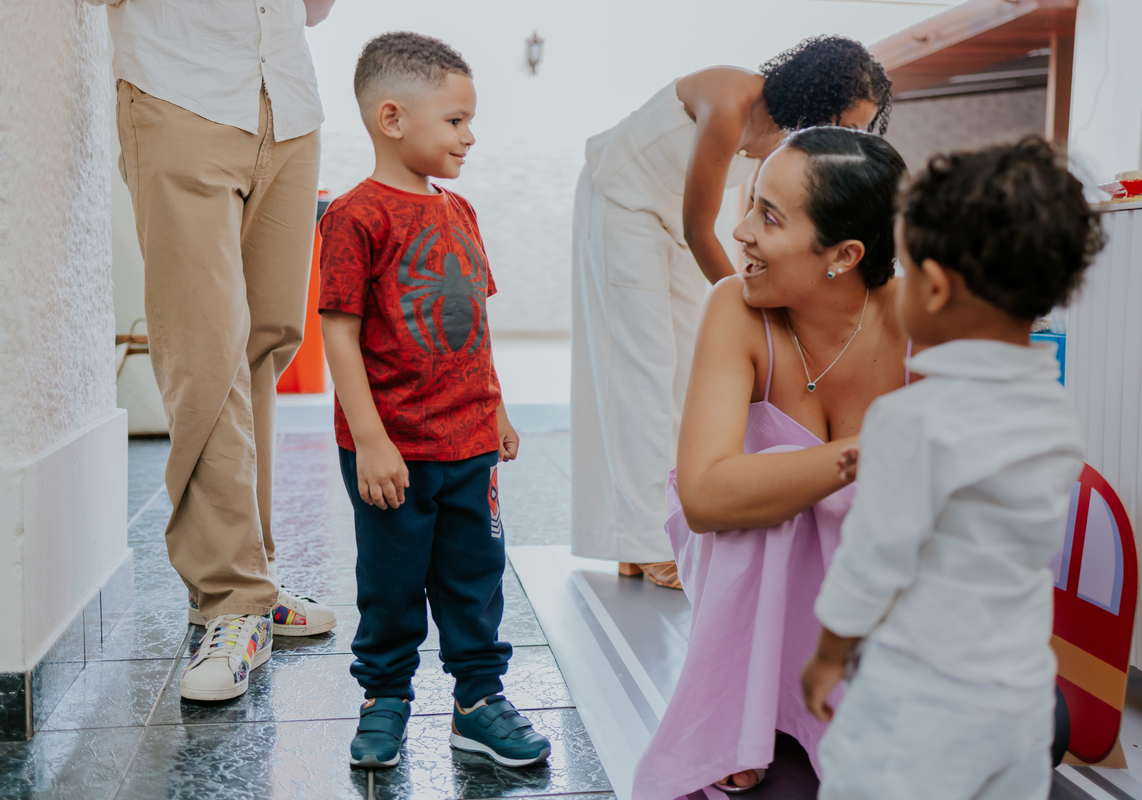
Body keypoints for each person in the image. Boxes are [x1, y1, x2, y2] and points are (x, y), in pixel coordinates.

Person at [802, 138, 1101, 800]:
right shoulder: (1053, 410)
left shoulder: (914, 420)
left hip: (920, 703)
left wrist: (827, 658)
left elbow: (872, 563)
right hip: (1020, 698)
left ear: (933, 288)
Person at [631, 127, 908, 798]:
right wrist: (867, 454)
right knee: (774, 491)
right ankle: (745, 713)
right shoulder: (735, 305)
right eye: (750, 203)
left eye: (769, 217)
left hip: (877, 584)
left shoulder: (918, 319)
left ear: (844, 255)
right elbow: (705, 494)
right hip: (750, 558)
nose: (740, 232)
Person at [570, 36, 892, 589]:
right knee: (641, 371)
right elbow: (703, 226)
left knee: (680, 374)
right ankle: (647, 543)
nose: (850, 138)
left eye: (862, 130)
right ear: (818, 94)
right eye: (846, 121)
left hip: (668, 221)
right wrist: (749, 314)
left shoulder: (787, 143)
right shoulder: (730, 103)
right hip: (622, 204)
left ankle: (642, 535)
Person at [93, 0, 338, 702]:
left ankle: (249, 576)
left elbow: (314, 11)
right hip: (180, 92)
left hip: (286, 102)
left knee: (264, 343)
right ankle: (231, 599)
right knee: (206, 352)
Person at [318, 32, 551, 770]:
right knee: (390, 585)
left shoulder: (462, 213)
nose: (469, 136)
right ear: (393, 119)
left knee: (475, 578)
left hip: (470, 441)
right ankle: (385, 698)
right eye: (454, 121)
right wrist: (372, 439)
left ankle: (478, 703)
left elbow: (472, 324)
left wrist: (498, 407)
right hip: (394, 450)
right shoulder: (355, 217)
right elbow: (340, 336)